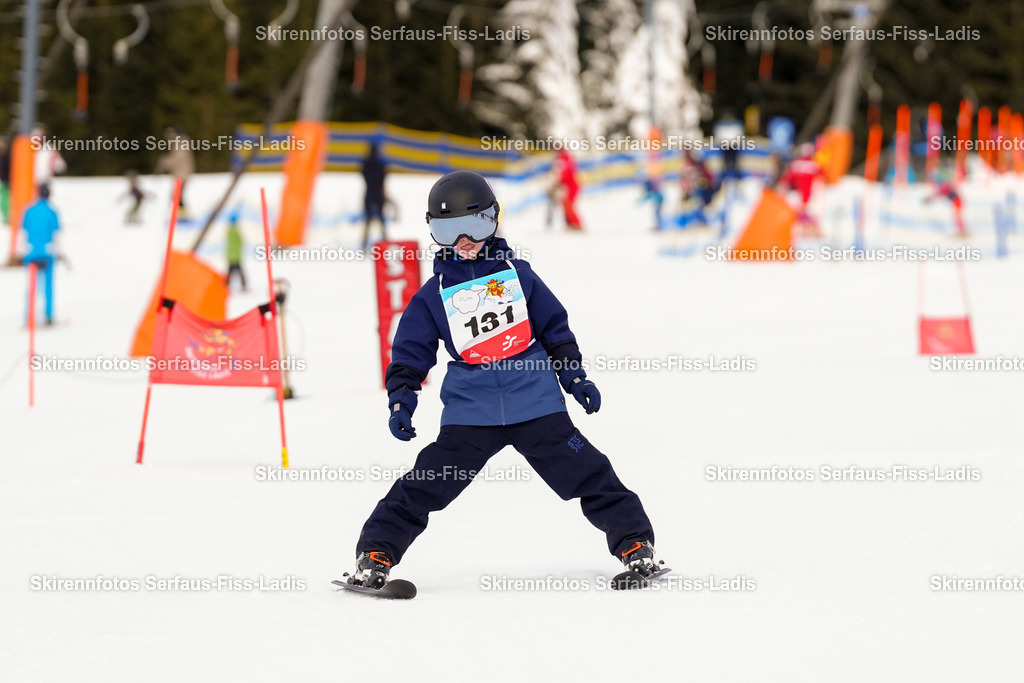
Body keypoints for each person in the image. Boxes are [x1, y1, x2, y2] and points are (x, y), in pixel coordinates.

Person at [347, 171, 660, 590]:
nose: (464, 241)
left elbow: (555, 330)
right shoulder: (433, 294)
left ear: (494, 221)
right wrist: (401, 398)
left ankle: (635, 546)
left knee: (588, 473)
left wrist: (575, 377)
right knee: (426, 482)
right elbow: (411, 350)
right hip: (470, 413)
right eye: (448, 230)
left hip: (535, 403)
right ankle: (376, 554)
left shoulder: (519, 276)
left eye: (475, 225)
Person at [22, 184, 61, 325]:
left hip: (31, 252)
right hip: (47, 253)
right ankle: (48, 315)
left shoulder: (29, 210)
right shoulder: (52, 211)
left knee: (31, 286)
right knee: (48, 285)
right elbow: (57, 234)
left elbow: (24, 231)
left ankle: (29, 316)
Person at [155, 127, 195, 215]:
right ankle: (181, 214)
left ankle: (183, 214)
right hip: (180, 175)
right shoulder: (179, 145)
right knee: (177, 196)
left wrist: (164, 162)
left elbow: (177, 159)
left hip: (182, 175)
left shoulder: (181, 145)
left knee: (177, 196)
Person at [360, 143, 388, 249]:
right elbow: (384, 175)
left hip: (369, 193)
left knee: (368, 220)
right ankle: (386, 242)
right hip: (378, 194)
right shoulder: (380, 164)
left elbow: (363, 173)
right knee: (381, 220)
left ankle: (364, 244)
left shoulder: (366, 164)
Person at [552, 148, 583, 230]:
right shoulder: (563, 159)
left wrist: (557, 181)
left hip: (571, 185)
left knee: (568, 204)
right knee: (565, 204)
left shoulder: (564, 159)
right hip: (567, 186)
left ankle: (576, 225)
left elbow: (563, 173)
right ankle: (571, 224)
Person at [225, 214, 248, 290]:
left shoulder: (229, 231)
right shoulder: (236, 232)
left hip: (230, 255)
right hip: (236, 255)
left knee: (230, 271)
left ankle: (226, 284)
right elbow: (241, 242)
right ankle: (243, 284)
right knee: (239, 271)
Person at [0, 136, 10, 226]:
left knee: (5, 200)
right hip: (3, 182)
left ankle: (7, 217)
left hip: (6, 182)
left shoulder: (6, 157)